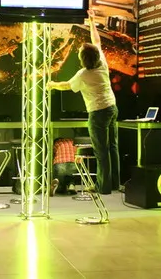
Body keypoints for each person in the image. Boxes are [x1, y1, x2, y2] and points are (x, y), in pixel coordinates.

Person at [47, 10, 119, 195]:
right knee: (113, 147)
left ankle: (103, 187)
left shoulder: (84, 74)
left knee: (101, 151)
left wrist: (52, 84)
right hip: (112, 108)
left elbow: (66, 86)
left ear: (83, 59)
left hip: (98, 113)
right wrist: (92, 21)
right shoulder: (102, 63)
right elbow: (97, 41)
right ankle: (114, 183)